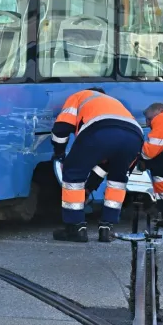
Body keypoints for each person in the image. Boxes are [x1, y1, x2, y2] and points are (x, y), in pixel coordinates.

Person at [51, 88, 143, 243]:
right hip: (135, 137)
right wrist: (89, 187)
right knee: (118, 181)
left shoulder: (79, 96)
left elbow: (61, 127)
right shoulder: (114, 102)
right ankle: (107, 228)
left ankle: (75, 228)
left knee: (73, 174)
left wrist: (60, 154)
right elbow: (105, 167)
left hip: (99, 131)